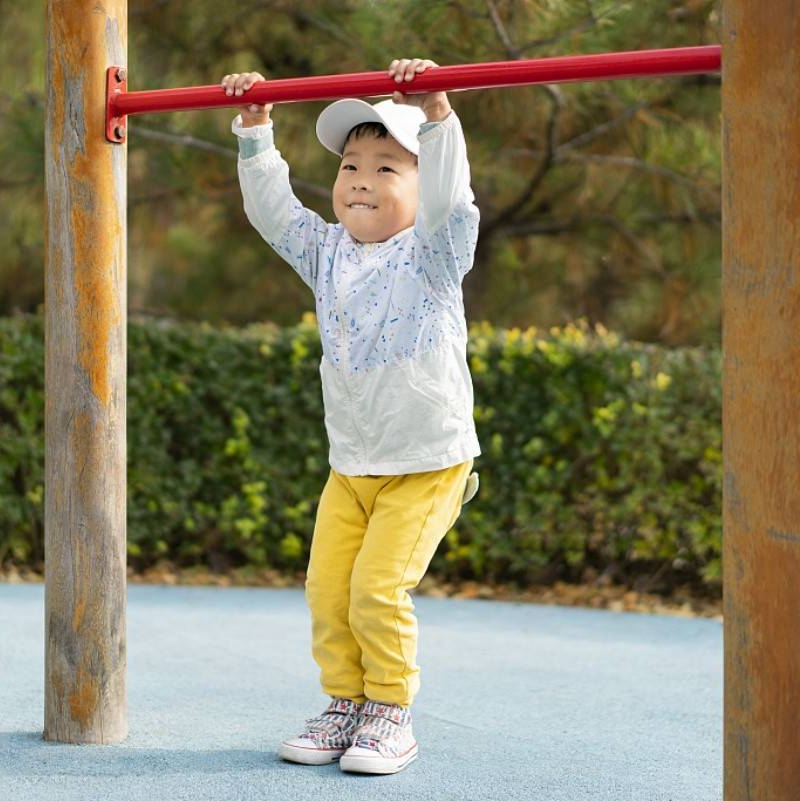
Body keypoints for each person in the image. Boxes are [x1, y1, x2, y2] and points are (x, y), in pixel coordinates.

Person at [220, 58, 481, 775]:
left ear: (419, 185)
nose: (361, 179)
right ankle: (345, 702)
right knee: (328, 587)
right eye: (351, 166)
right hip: (354, 462)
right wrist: (255, 130)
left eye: (386, 168)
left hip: (427, 462)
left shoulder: (433, 253)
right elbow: (274, 214)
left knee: (376, 589)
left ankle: (390, 710)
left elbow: (454, 204)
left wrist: (437, 113)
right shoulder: (328, 251)